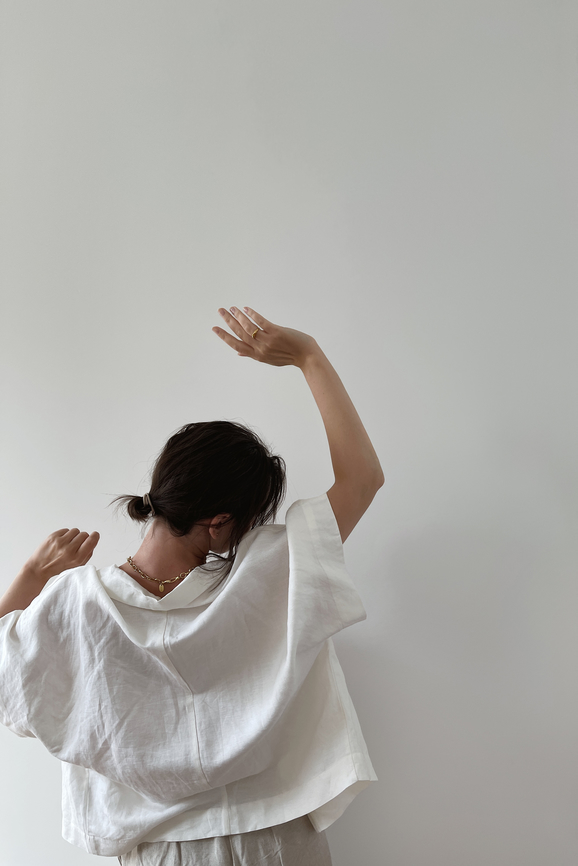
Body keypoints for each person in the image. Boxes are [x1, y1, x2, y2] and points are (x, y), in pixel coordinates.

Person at [0, 307, 384, 865]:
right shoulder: (270, 570)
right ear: (221, 521)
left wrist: (33, 577)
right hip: (274, 839)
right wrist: (308, 356)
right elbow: (362, 478)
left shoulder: (74, 603)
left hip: (159, 854)